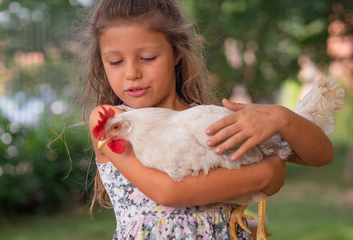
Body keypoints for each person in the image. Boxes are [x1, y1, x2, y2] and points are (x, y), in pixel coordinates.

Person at [78, 0, 334, 239]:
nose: (132, 73)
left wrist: (283, 119)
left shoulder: (205, 122)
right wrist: (265, 174)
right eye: (115, 61)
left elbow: (320, 156)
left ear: (176, 52)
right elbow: (167, 192)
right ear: (102, 64)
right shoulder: (114, 122)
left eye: (147, 58)